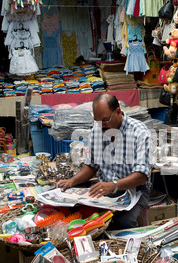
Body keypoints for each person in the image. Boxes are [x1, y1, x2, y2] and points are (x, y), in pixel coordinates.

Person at [56, 93, 152, 229]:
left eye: (105, 120)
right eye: (98, 121)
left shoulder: (139, 132)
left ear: (118, 112)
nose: (102, 126)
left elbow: (141, 176)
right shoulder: (97, 130)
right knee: (78, 215)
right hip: (104, 190)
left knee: (123, 222)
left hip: (134, 191)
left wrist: (113, 185)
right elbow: (91, 166)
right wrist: (72, 181)